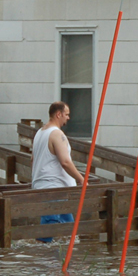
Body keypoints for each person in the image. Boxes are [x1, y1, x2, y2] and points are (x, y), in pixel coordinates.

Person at [31, 101, 85, 242]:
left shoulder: (39, 133)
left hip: (44, 185)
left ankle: (68, 258)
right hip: (53, 187)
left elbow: (33, 159)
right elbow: (65, 162)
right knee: (50, 223)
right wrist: (81, 179)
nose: (68, 118)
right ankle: (42, 256)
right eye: (66, 114)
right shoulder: (56, 134)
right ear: (58, 114)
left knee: (70, 228)